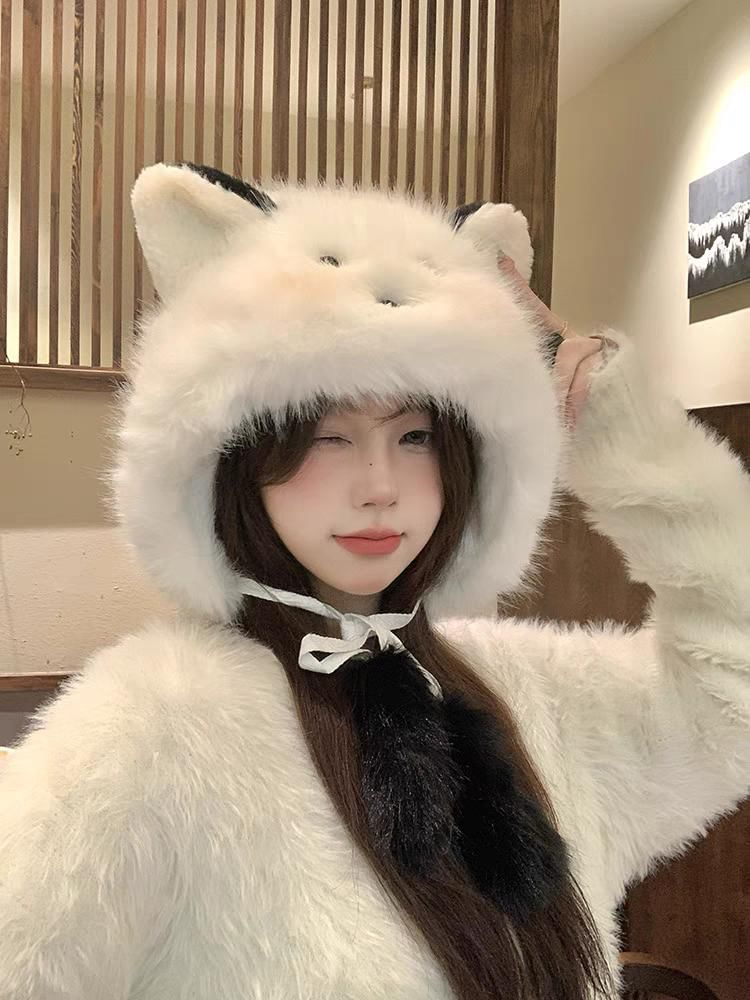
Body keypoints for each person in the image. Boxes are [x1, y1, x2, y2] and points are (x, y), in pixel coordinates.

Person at [0, 162, 748, 1000]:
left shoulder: (532, 689)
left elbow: (734, 692)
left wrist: (607, 421)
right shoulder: (152, 724)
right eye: (327, 435)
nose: (380, 485)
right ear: (235, 456)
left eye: (416, 436)